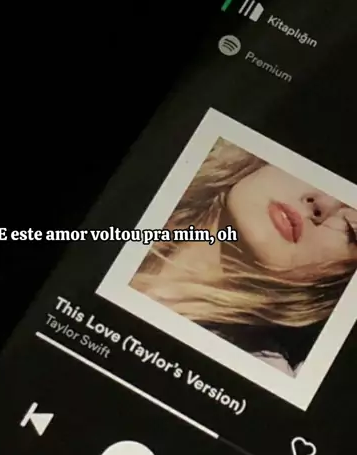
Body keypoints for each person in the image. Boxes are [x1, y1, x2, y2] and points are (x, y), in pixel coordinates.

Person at [130, 138, 357, 376]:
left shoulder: (258, 373)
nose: (323, 203)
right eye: (319, 169)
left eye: (352, 230)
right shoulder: (143, 173)